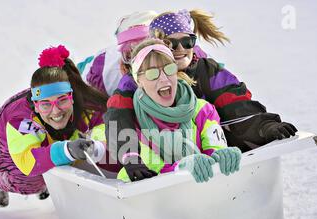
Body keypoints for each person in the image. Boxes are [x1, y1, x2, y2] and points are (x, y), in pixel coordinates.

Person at [105, 9, 297, 181]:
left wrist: (265, 126)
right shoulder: (136, 80)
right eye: (172, 43)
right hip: (161, 160)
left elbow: (235, 103)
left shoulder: (206, 70)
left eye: (187, 41)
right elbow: (119, 117)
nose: (180, 49)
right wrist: (130, 157)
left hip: (213, 152)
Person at [0, 45, 108, 207]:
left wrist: (97, 145)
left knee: (75, 157)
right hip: (11, 150)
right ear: (35, 105)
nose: (56, 110)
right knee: (32, 178)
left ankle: (52, 171)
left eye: (62, 100)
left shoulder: (83, 103)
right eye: (45, 104)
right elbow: (27, 162)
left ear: (71, 97)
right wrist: (67, 150)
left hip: (51, 137)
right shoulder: (21, 120)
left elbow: (102, 124)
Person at [117, 39, 241, 183]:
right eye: (152, 74)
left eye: (169, 69)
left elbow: (214, 149)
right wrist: (179, 168)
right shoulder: (132, 123)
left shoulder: (203, 110)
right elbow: (140, 173)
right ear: (139, 81)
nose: (164, 79)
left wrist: (221, 156)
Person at [77, 10, 208, 96]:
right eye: (130, 54)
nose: (140, 62)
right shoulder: (104, 70)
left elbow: (215, 73)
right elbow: (80, 86)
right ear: (122, 57)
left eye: (147, 52)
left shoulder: (185, 54)